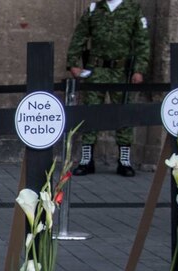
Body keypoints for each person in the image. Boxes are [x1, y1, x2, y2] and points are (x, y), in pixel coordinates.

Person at [66, 0, 151, 177]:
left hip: (121, 71)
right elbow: (79, 36)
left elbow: (142, 41)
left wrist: (139, 69)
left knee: (123, 113)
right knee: (90, 113)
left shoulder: (133, 9)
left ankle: (124, 160)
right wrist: (73, 63)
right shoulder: (94, 9)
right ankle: (86, 159)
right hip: (96, 69)